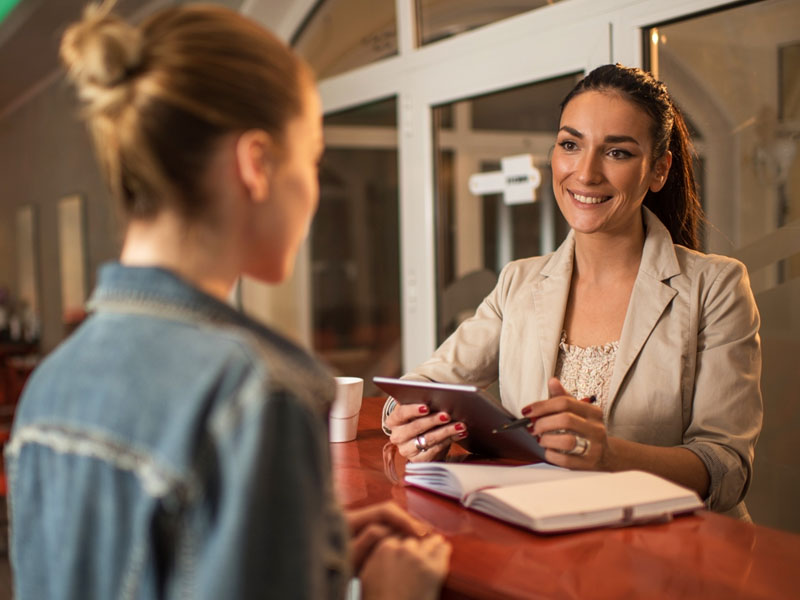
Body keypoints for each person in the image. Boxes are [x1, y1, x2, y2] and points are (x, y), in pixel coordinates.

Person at [5, 3, 450, 599]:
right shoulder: (254, 393)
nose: (315, 192)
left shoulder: (49, 386)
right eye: (313, 160)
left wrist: (296, 547)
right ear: (257, 164)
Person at [383, 64, 763, 521]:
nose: (585, 173)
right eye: (570, 145)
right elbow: (420, 386)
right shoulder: (519, 282)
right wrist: (407, 421)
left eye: (617, 152)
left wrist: (609, 456)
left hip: (670, 561)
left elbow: (727, 469)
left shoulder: (715, 287)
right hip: (542, 545)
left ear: (658, 169)